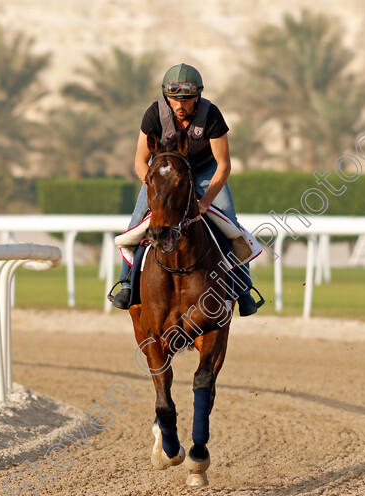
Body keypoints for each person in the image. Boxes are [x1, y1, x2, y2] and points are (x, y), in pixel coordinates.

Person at [109, 63, 261, 316]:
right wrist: (156, 188)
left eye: (187, 99)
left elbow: (223, 165)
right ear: (166, 97)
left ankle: (244, 289)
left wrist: (205, 202)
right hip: (164, 176)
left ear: (198, 96)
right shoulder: (154, 114)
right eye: (174, 99)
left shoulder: (211, 115)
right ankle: (125, 284)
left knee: (231, 224)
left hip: (204, 174)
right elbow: (139, 161)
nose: (180, 105)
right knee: (136, 223)